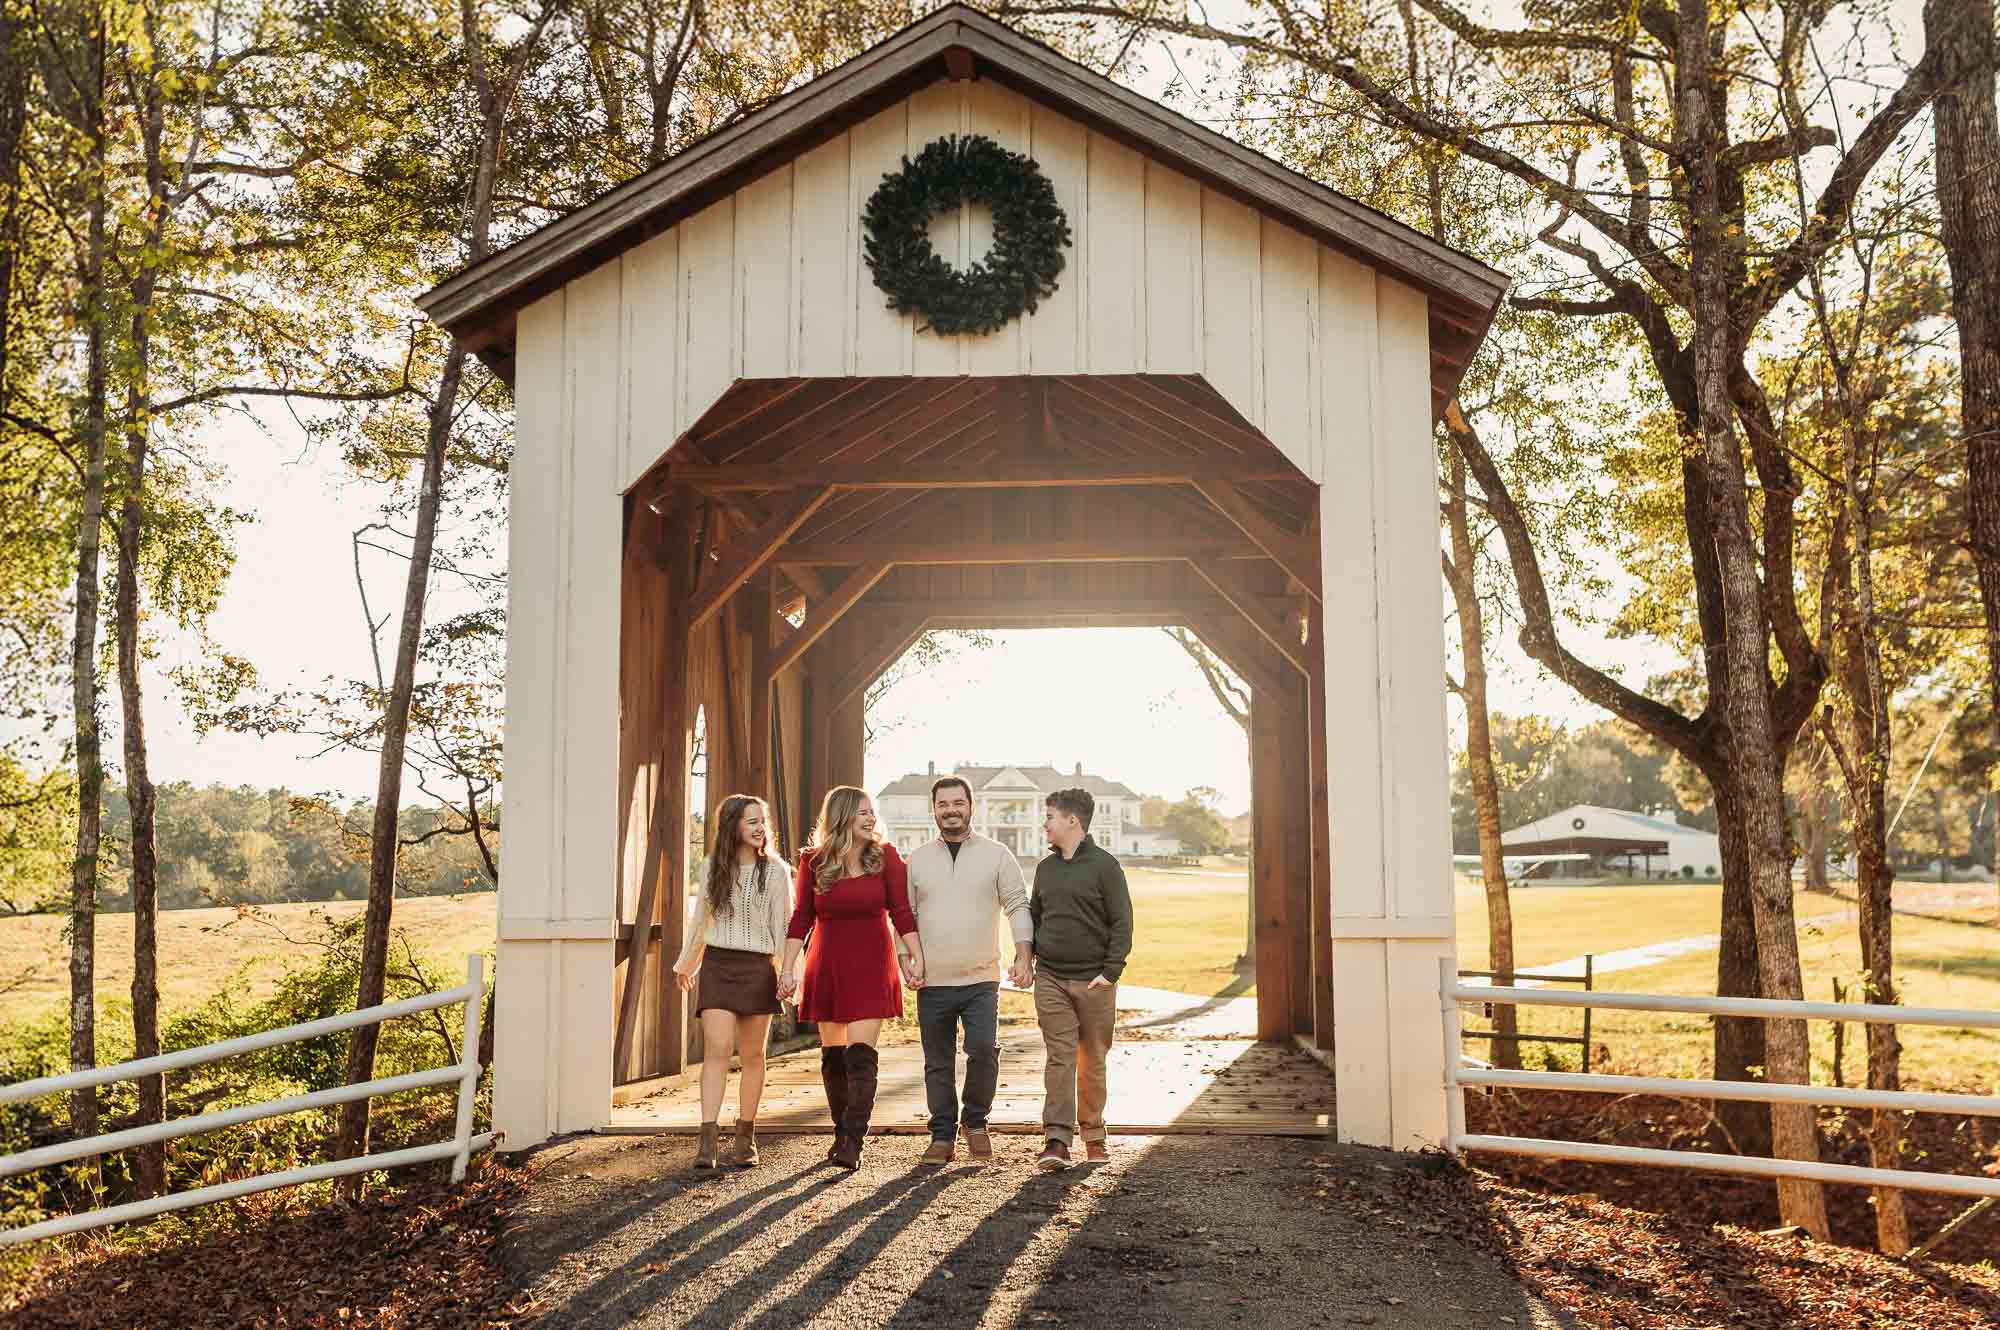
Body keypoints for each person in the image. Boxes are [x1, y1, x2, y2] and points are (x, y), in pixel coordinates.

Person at [779, 786, 925, 1170]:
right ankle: (840, 1133)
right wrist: (786, 968)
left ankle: (853, 1144)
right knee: (834, 1058)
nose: (870, 818)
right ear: (842, 816)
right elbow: (800, 919)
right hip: (827, 965)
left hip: (873, 964)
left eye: (872, 811)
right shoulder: (814, 861)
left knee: (861, 1055)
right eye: (862, 812)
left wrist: (916, 954)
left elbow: (902, 911)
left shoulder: (886, 857)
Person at [898, 775, 1033, 1164]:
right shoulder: (918, 859)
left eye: (958, 803)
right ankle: (942, 1135)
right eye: (943, 804)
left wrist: (1024, 955)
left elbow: (1017, 905)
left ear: (972, 807)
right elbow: (903, 917)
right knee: (937, 1061)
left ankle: (975, 1123)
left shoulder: (997, 854)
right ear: (934, 810)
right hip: (932, 980)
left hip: (981, 978)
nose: (951, 810)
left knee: (982, 1050)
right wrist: (906, 961)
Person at [672, 794, 791, 1170]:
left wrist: (788, 975)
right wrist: (685, 965)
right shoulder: (711, 868)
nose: (760, 828)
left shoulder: (775, 871)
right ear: (733, 827)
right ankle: (706, 1141)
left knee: (754, 1055)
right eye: (751, 821)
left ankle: (745, 1137)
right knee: (718, 1049)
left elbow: (784, 927)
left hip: (758, 969)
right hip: (718, 966)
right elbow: (699, 923)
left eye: (763, 821)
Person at [1030, 786, 1132, 1172]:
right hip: (1052, 978)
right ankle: (1056, 1140)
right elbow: (1036, 916)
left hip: (1095, 982)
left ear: (1073, 820)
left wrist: (1111, 972)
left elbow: (1122, 922)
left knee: (1092, 1059)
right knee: (1060, 1056)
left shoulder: (1105, 867)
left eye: (1051, 817)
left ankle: (1094, 1135)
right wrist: (1033, 957)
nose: (1045, 824)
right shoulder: (1045, 869)